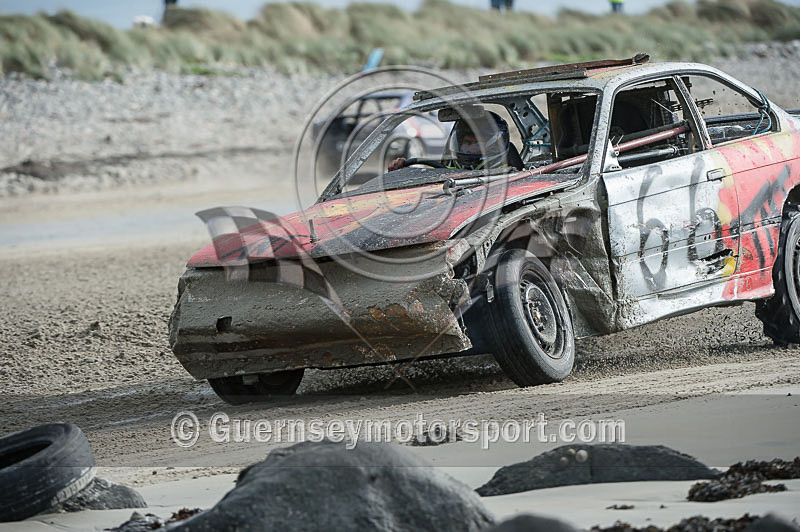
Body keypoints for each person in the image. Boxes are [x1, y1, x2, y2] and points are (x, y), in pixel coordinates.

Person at [388, 111, 521, 171]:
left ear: (493, 146)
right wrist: (399, 173)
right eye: (467, 143)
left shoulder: (512, 175)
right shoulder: (449, 169)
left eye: (477, 144)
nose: (469, 149)